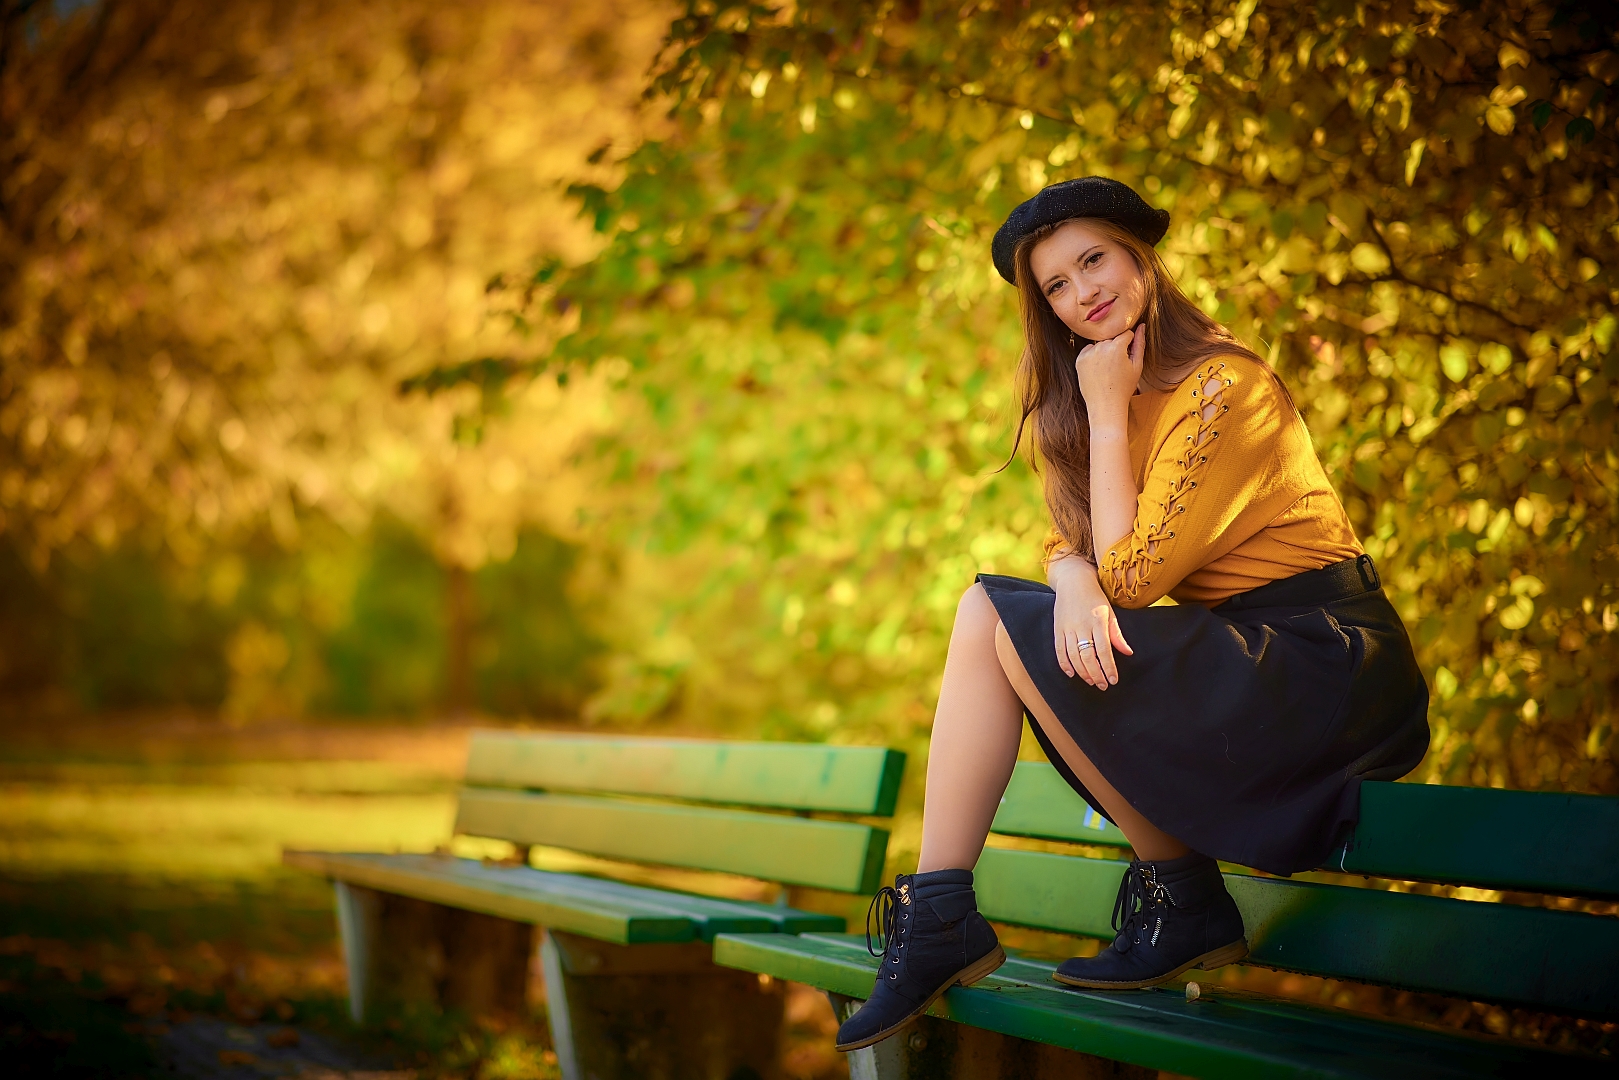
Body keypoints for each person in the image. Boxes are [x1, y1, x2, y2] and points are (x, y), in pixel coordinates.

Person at [834, 177, 1430, 1054]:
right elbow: (1075, 545)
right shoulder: (1086, 392)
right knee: (998, 621)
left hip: (1323, 663)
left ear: (1138, 255)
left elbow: (1135, 576)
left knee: (1011, 625)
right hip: (1236, 654)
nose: (1084, 294)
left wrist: (1106, 426)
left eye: (1093, 260)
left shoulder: (1224, 387)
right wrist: (1070, 570)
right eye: (1057, 286)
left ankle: (1162, 900)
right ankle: (953, 915)